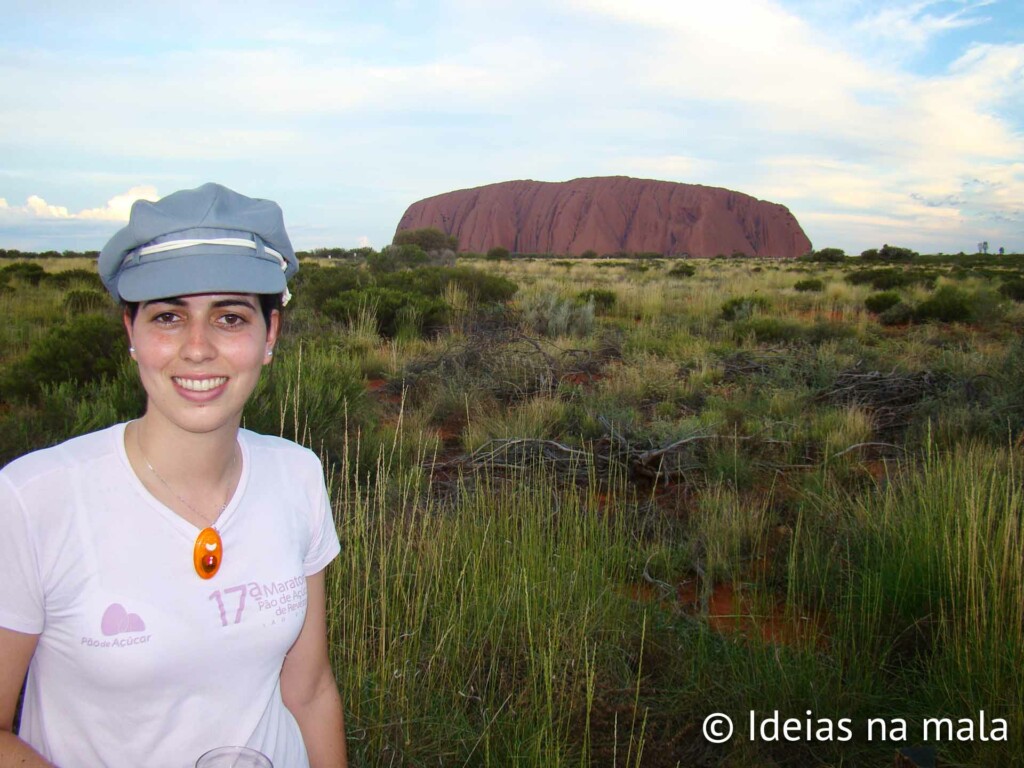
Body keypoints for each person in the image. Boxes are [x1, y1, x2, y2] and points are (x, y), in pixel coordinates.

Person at [0, 183, 348, 767]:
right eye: (168, 316)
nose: (197, 348)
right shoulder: (33, 500)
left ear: (271, 336)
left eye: (230, 318)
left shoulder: (297, 475)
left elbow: (309, 691)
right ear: (130, 334)